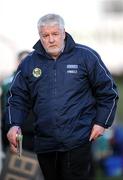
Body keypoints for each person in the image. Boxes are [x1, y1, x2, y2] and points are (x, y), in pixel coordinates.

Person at [5, 13, 119, 180]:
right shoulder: (29, 62)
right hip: (45, 142)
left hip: (78, 140)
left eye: (55, 34)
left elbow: (108, 92)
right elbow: (16, 97)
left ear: (64, 33)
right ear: (40, 36)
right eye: (45, 35)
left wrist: (102, 122)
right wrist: (14, 124)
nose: (51, 40)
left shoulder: (86, 56)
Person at [1, 50, 34, 153]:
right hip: (17, 132)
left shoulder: (38, 80)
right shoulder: (10, 83)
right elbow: (8, 109)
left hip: (35, 135)